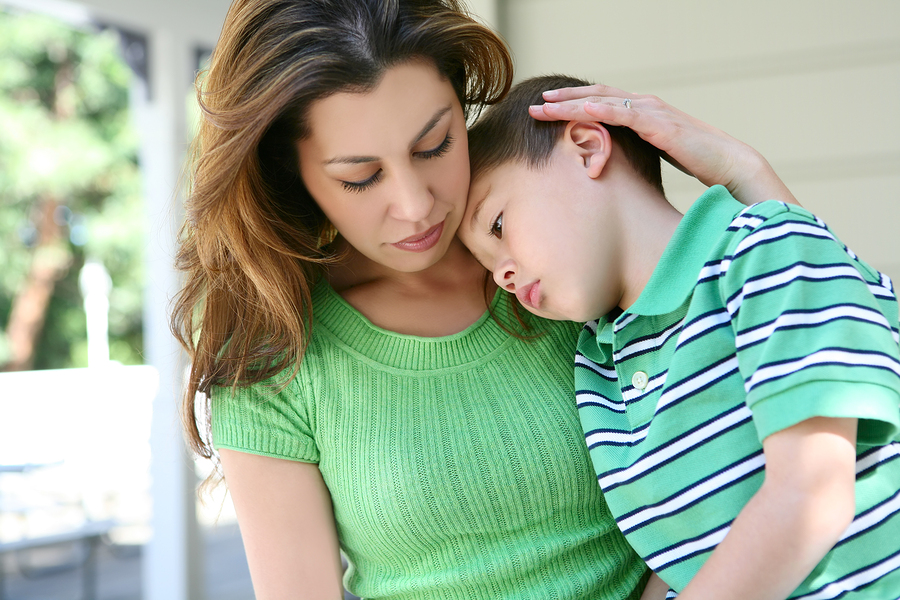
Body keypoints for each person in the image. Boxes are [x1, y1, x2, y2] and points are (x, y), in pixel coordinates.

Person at [169, 1, 805, 598]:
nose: (416, 205)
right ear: (293, 175)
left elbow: (814, 350)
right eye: (359, 177)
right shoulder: (274, 341)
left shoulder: (560, 262)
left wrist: (744, 171)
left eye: (436, 144)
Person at [458, 73, 900, 599]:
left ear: (585, 147)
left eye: (499, 226)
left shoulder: (765, 251)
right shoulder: (599, 364)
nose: (501, 276)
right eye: (487, 266)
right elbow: (678, 558)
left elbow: (811, 495)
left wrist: (745, 169)